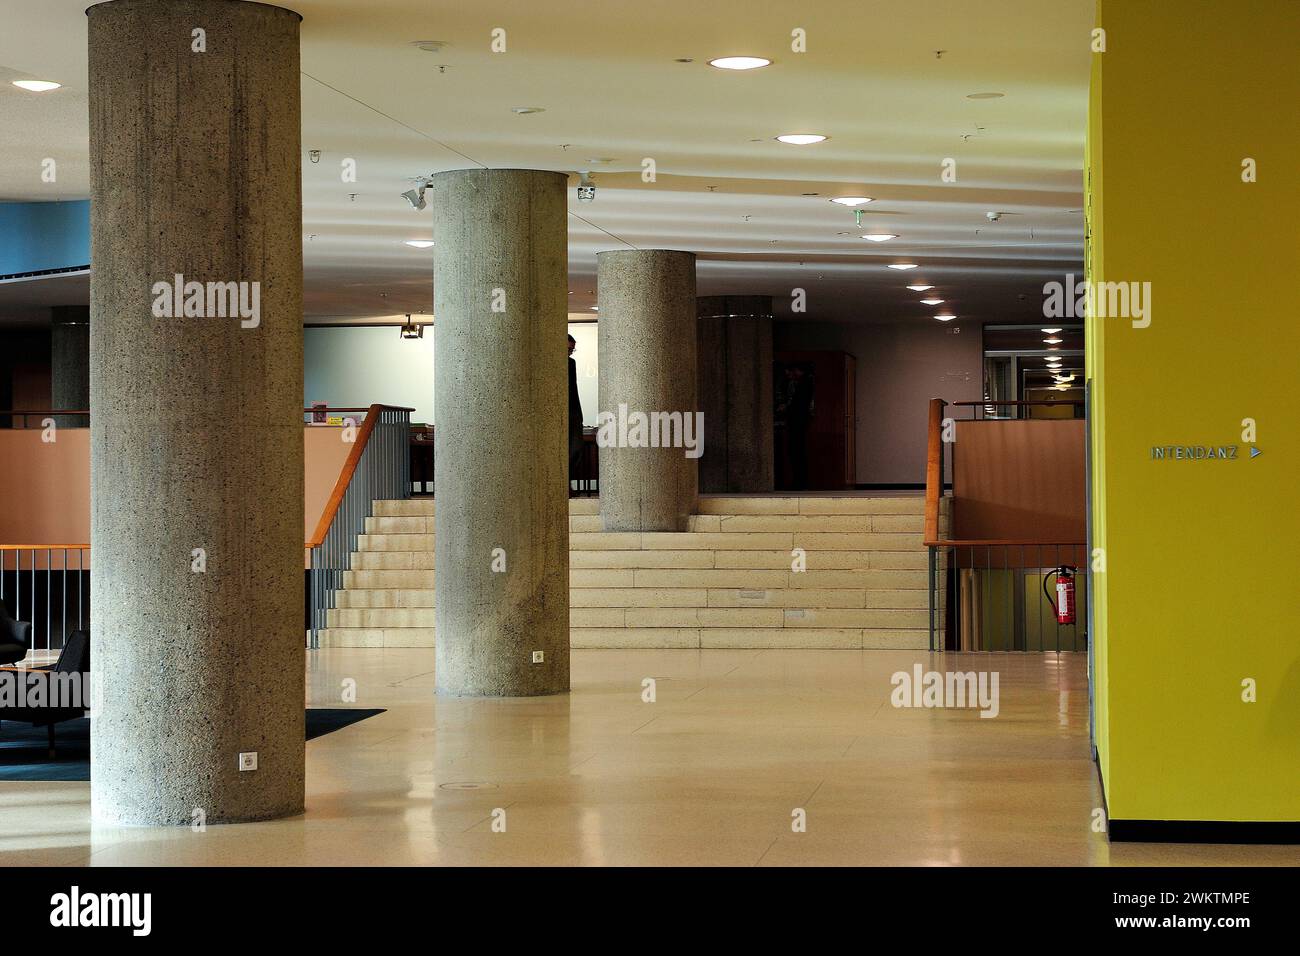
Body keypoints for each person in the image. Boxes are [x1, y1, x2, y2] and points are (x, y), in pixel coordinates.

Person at [568, 335, 585, 489]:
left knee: (576, 449)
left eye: (572, 350)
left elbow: (574, 389)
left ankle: (566, 479)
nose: (570, 353)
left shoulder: (571, 363)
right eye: (568, 350)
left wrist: (579, 414)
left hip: (572, 411)